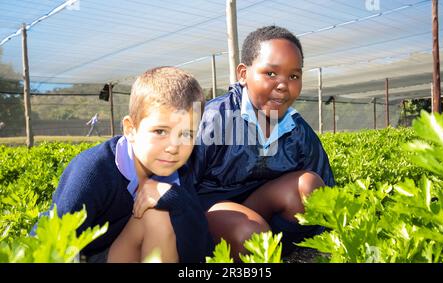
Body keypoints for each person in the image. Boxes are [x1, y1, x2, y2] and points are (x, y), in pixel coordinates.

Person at [33, 67, 212, 263]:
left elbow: (201, 252)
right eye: (160, 131)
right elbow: (48, 239)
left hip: (127, 250)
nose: (173, 147)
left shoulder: (180, 171)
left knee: (159, 216)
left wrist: (176, 199)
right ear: (130, 129)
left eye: (186, 134)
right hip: (89, 258)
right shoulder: (93, 170)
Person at [188, 26, 335, 260]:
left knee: (309, 187)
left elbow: (327, 189)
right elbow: (180, 184)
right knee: (252, 235)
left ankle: (279, 250)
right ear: (243, 74)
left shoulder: (297, 130)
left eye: (293, 76)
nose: (283, 85)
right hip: (209, 213)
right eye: (271, 73)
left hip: (258, 212)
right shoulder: (214, 118)